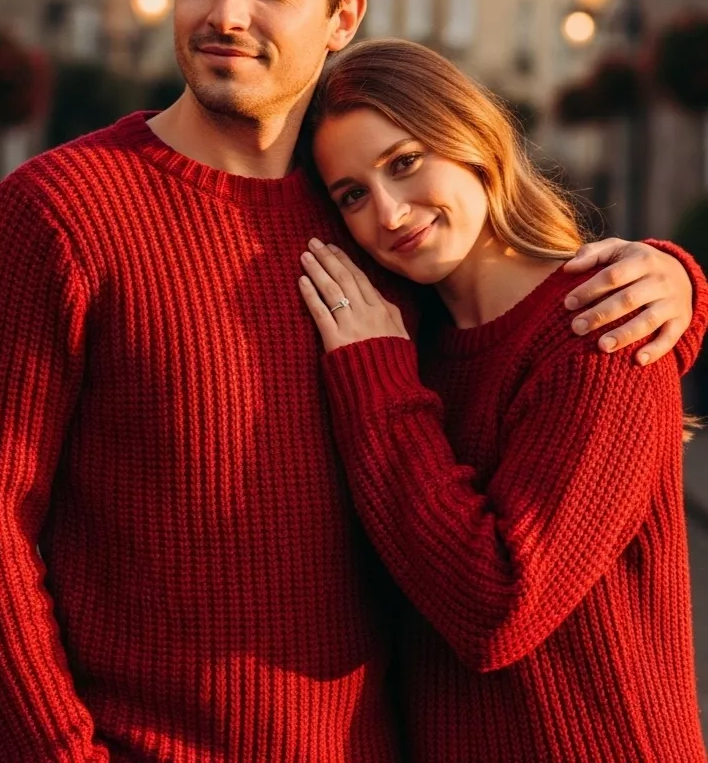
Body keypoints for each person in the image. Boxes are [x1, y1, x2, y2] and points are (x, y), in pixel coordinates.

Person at [0, 0, 701, 763]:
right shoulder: (57, 213)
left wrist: (675, 281)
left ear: (343, 16)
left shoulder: (367, 223)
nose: (225, 12)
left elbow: (510, 331)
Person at [298, 38, 708, 763]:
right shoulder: (415, 344)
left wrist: (377, 381)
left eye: (405, 162)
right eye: (353, 195)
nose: (389, 213)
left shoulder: (599, 329)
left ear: (474, 140)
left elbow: (499, 610)